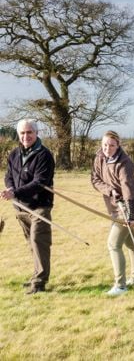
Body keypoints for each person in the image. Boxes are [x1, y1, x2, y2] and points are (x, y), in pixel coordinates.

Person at [1, 119, 55, 294]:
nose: (26, 136)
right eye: (23, 133)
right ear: (18, 134)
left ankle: (39, 283)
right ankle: (36, 276)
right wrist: (10, 188)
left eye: (29, 132)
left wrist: (15, 193)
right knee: (31, 243)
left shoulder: (44, 155)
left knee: (39, 242)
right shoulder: (14, 154)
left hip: (40, 206)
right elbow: (9, 175)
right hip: (20, 207)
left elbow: (39, 182)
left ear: (36, 133)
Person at [91, 131, 134, 296]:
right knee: (130, 244)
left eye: (112, 145)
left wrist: (131, 215)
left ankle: (120, 286)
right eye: (105, 144)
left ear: (118, 145)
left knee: (113, 244)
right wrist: (110, 190)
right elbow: (95, 179)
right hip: (114, 208)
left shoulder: (124, 163)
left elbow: (128, 189)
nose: (107, 148)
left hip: (127, 209)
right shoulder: (99, 157)